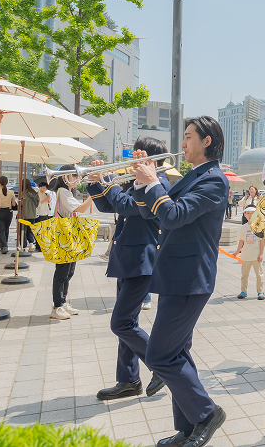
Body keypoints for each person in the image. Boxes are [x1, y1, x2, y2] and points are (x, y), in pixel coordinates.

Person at [130, 116, 227, 447]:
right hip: (176, 276)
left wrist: (152, 181)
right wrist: (142, 182)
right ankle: (187, 428)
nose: (182, 144)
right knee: (177, 353)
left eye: (188, 137)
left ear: (207, 141)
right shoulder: (194, 176)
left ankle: (207, 413)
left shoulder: (214, 180)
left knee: (160, 357)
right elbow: (152, 213)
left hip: (190, 278)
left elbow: (173, 215)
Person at [88, 137, 170, 402]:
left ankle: (160, 365)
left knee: (121, 323)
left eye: (138, 155)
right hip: (126, 259)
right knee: (128, 324)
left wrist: (109, 181)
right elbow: (107, 205)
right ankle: (128, 380)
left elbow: (126, 205)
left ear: (152, 160)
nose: (133, 160)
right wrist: (95, 181)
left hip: (142, 262)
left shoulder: (159, 186)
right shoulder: (137, 183)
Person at [50, 166, 94, 320]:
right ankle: (57, 306)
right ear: (64, 177)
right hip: (64, 236)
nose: (77, 178)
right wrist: (94, 195)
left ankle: (62, 302)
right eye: (74, 175)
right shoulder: (63, 192)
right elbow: (81, 209)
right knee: (62, 272)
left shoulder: (68, 192)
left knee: (69, 272)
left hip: (69, 236)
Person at [233, 206, 265, 300]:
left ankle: (260, 292)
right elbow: (241, 240)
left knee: (259, 274)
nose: (250, 215)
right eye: (248, 213)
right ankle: (243, 291)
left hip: (256, 255)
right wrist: (237, 251)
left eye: (252, 213)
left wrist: (261, 254)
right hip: (246, 255)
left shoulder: (259, 227)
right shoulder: (243, 227)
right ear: (245, 215)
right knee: (244, 274)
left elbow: (262, 241)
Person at [0, 176, 16, 254]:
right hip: (8, 212)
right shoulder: (11, 192)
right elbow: (13, 204)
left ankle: (4, 246)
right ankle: (4, 246)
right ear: (7, 182)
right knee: (6, 229)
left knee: (1, 230)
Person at [34, 181, 56, 252]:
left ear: (46, 189)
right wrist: (44, 200)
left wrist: (48, 200)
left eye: (44, 188)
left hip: (46, 214)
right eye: (41, 188)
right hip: (39, 214)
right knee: (39, 231)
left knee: (45, 231)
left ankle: (43, 246)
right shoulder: (37, 195)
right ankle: (38, 246)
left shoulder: (47, 194)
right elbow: (37, 205)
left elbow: (50, 204)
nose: (42, 189)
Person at [19, 178, 39, 252]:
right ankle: (31, 244)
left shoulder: (22, 193)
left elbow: (20, 204)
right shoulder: (34, 193)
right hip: (32, 215)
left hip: (23, 215)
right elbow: (37, 204)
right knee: (30, 230)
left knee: (22, 231)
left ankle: (23, 247)